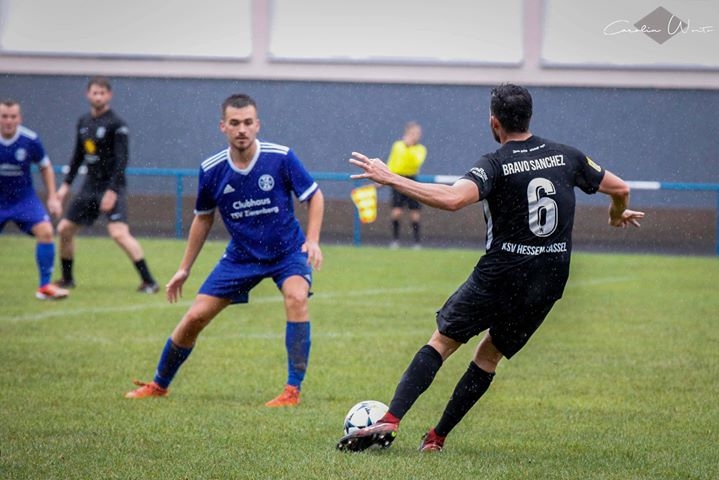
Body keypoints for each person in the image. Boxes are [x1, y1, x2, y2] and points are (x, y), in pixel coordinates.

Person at [337, 84, 645, 452]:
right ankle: (436, 438)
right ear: (529, 116)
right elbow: (620, 188)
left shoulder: (495, 164)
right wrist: (615, 215)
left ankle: (391, 418)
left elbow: (453, 199)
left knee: (442, 342)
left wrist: (390, 177)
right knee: (488, 356)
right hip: (548, 279)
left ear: (494, 122)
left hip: (502, 274)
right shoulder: (567, 156)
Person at [125, 93, 325, 408]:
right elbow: (203, 219)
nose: (241, 129)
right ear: (223, 126)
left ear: (257, 125)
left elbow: (314, 196)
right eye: (234, 123)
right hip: (242, 256)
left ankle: (292, 391)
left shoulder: (281, 157)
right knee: (195, 316)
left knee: (297, 297)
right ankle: (159, 384)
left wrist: (311, 240)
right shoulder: (212, 169)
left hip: (286, 251)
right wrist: (184, 268)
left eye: (247, 122)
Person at [54, 76, 159, 293]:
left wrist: (112, 191)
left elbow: (122, 160)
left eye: (102, 93)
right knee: (64, 229)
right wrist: (65, 186)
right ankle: (67, 279)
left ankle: (149, 281)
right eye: (95, 93)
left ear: (109, 95)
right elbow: (77, 157)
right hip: (89, 186)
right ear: (88, 94)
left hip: (111, 186)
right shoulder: (83, 122)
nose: (98, 97)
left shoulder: (117, 124)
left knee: (119, 233)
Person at [0, 99, 69, 300]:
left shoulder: (30, 140)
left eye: (13, 116)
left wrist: (52, 197)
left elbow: (45, 166)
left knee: (46, 231)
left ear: (19, 118)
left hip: (23, 199)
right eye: (4, 116)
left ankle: (45, 287)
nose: (8, 121)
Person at [386, 121, 427, 249]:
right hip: (397, 179)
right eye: (413, 133)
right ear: (407, 133)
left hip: (411, 179)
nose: (416, 135)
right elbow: (392, 162)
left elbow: (416, 162)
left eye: (418, 133)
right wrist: (385, 177)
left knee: (415, 213)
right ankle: (395, 240)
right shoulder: (398, 146)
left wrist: (409, 148)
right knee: (396, 211)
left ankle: (417, 242)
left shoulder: (420, 149)